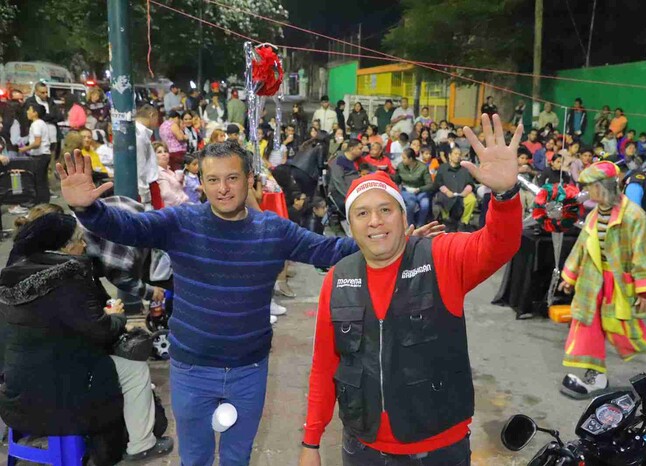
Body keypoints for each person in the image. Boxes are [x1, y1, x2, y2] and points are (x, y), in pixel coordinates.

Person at [59, 142, 441, 466]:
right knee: (194, 459)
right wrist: (88, 210)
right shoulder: (181, 222)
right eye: (212, 180)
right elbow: (127, 228)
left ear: (249, 181)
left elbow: (329, 250)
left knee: (238, 459)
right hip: (192, 369)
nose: (223, 188)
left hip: (249, 371)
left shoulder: (272, 230)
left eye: (232, 178)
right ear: (201, 184)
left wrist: (392, 243)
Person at [299, 114, 523, 466]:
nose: (375, 221)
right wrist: (311, 442)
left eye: (385, 210)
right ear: (349, 225)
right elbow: (324, 365)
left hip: (436, 449)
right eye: (362, 214)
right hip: (363, 448)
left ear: (404, 218)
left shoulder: (441, 258)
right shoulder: (338, 279)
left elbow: (499, 245)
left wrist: (505, 195)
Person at [0, 213, 173, 464]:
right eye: (80, 240)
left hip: (16, 395)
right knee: (135, 371)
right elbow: (101, 330)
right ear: (64, 247)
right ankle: (142, 444)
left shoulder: (11, 275)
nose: (85, 246)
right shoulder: (68, 279)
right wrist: (117, 317)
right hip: (62, 399)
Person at [559, 161, 646, 399]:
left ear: (605, 187)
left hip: (619, 284)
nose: (588, 192)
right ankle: (595, 378)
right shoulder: (593, 216)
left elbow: (645, 253)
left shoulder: (633, 216)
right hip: (592, 283)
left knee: (625, 331)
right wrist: (570, 275)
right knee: (588, 328)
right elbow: (582, 248)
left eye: (591, 187)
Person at [433, 146, 478, 231]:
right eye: (455, 154)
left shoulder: (464, 169)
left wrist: (465, 192)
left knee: (471, 200)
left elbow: (470, 183)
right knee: (443, 198)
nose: (458, 156)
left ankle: (464, 222)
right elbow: (438, 183)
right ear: (449, 155)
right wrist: (446, 191)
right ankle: (446, 221)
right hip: (446, 193)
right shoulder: (442, 168)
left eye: (459, 154)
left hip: (462, 193)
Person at [18, 102, 52, 203]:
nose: (27, 112)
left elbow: (37, 142)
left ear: (35, 113)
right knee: (43, 181)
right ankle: (45, 202)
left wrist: (24, 149)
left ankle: (39, 203)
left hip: (39, 156)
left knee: (38, 181)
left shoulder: (36, 124)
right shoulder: (42, 123)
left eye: (30, 110)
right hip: (45, 154)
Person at [134, 105, 163, 210]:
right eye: (157, 119)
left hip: (146, 185)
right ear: (152, 115)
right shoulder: (139, 135)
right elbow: (140, 166)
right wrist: (145, 196)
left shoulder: (141, 133)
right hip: (146, 186)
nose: (157, 123)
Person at [396, 147, 433, 227]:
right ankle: (409, 225)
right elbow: (397, 180)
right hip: (406, 189)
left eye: (404, 158)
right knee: (411, 203)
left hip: (420, 190)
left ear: (411, 159)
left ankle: (420, 224)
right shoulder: (400, 166)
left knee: (425, 204)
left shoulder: (422, 167)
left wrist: (420, 189)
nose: (402, 160)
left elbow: (430, 184)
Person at [328, 139, 363, 214]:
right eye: (359, 149)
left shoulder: (356, 160)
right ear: (352, 149)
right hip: (340, 193)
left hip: (354, 190)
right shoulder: (339, 160)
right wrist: (350, 195)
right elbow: (338, 182)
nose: (361, 151)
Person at [154, 142, 190, 207]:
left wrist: (181, 181)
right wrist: (182, 204)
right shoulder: (158, 173)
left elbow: (179, 189)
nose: (164, 154)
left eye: (165, 151)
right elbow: (166, 194)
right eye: (159, 152)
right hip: (173, 209)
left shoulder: (170, 171)